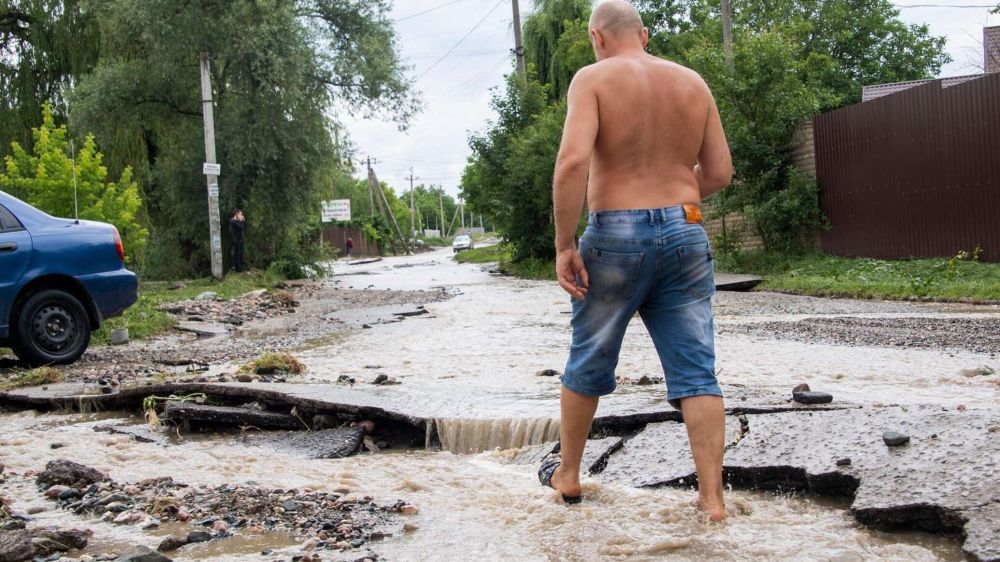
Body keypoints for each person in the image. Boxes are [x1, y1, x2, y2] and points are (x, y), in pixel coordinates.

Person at [541, 0, 733, 521]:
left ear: (596, 38)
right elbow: (718, 170)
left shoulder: (593, 78)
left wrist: (564, 245)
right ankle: (712, 500)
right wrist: (678, 203)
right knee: (696, 370)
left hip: (616, 234)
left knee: (590, 355)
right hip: (686, 228)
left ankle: (571, 475)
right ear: (644, 34)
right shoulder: (692, 82)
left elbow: (573, 161)